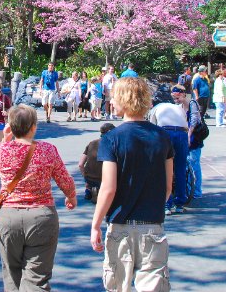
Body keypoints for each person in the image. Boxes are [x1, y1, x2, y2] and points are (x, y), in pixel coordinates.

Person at [90, 77, 174, 292]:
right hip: (152, 225)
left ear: (123, 100)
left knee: (118, 286)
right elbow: (168, 186)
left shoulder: (111, 139)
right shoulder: (162, 137)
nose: (111, 102)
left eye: (114, 98)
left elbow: (109, 189)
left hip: (120, 224)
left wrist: (96, 224)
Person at [0, 105, 77, 291]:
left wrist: (4, 140)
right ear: (33, 126)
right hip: (41, 215)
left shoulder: (4, 150)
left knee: (11, 273)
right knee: (37, 277)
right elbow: (64, 178)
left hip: (9, 216)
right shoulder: (48, 150)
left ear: (10, 126)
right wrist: (71, 196)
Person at [148, 88, 190, 215]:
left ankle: (166, 203)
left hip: (166, 133)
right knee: (181, 169)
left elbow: (152, 128)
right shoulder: (177, 108)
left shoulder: (156, 108)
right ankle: (180, 203)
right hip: (182, 133)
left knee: (164, 169)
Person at [78, 123, 116, 202]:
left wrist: (85, 177)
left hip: (89, 178)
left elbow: (80, 164)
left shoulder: (92, 143)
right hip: (104, 179)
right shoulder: (114, 145)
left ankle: (89, 188)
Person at [179, 87, 204, 199]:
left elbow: (195, 119)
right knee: (185, 163)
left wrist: (189, 134)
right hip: (183, 138)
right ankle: (188, 189)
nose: (176, 99)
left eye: (177, 96)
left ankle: (197, 191)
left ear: (183, 94)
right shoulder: (178, 106)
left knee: (194, 163)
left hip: (194, 138)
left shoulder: (192, 103)